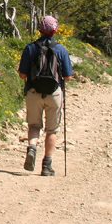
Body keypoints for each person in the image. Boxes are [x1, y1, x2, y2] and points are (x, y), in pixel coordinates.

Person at [17, 15, 73, 176]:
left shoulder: (30, 48)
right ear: (55, 30)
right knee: (52, 130)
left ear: (40, 29)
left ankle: (32, 148)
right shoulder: (61, 49)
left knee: (34, 126)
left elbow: (22, 74)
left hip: (34, 92)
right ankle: (47, 166)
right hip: (54, 93)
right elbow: (68, 76)